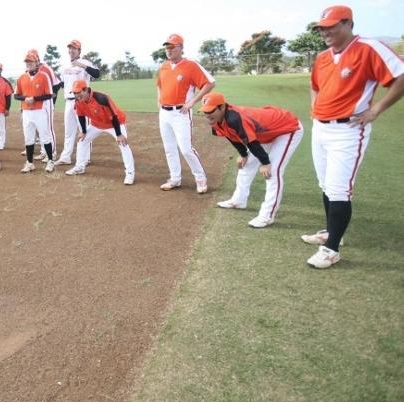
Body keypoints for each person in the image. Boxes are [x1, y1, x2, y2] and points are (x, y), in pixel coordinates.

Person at [302, 5, 403, 268]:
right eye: (321, 28)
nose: (325, 32)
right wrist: (315, 108)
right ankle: (331, 232)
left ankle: (331, 249)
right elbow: (314, 86)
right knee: (326, 185)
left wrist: (376, 109)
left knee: (339, 189)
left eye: (331, 26)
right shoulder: (323, 57)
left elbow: (400, 76)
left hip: (348, 130)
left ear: (348, 24)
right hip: (321, 128)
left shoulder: (368, 48)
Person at [199, 92, 304, 228]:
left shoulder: (235, 119)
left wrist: (265, 163)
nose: (207, 115)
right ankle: (239, 200)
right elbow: (232, 137)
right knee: (247, 164)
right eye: (205, 111)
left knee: (273, 171)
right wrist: (243, 154)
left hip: (287, 128)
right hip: (266, 132)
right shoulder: (216, 120)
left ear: (222, 107)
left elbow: (252, 142)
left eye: (210, 111)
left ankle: (267, 216)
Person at [156, 33, 216, 193]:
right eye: (167, 47)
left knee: (186, 149)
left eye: (172, 47)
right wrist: (159, 100)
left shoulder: (191, 65)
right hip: (164, 113)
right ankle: (175, 179)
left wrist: (192, 102)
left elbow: (210, 83)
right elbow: (159, 85)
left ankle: (200, 179)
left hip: (180, 113)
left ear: (181, 48)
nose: (169, 50)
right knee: (169, 148)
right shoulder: (163, 66)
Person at [66, 80, 135, 185]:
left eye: (78, 92)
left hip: (114, 124)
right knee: (82, 140)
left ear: (86, 90)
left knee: (123, 144)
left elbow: (114, 116)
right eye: (74, 93)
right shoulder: (78, 101)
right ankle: (79, 167)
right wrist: (83, 131)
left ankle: (130, 173)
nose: (76, 95)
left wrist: (119, 134)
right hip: (96, 124)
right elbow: (81, 115)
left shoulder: (101, 98)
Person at [56, 40, 100, 166]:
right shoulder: (65, 66)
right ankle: (66, 157)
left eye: (74, 48)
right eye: (70, 48)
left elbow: (97, 74)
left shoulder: (85, 62)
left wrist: (81, 65)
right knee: (69, 132)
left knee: (84, 130)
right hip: (69, 102)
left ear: (79, 50)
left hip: (82, 102)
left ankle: (86, 158)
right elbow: (62, 83)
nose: (71, 50)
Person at [15, 50, 55, 173]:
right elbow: (16, 95)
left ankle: (50, 161)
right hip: (27, 112)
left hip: (40, 111)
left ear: (36, 63)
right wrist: (25, 98)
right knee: (28, 138)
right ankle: (29, 163)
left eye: (31, 61)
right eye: (27, 62)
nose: (28, 64)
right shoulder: (21, 77)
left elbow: (49, 94)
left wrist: (35, 99)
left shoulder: (44, 76)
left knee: (45, 136)